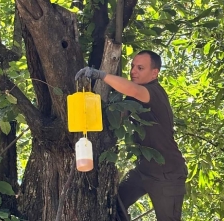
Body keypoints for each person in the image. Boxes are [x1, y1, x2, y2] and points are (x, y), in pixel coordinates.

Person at [75, 50, 187, 221]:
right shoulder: (133, 98)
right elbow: (117, 120)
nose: (133, 71)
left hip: (168, 173)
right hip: (143, 170)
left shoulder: (152, 92)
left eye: (140, 68)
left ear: (154, 73)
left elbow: (133, 90)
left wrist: (100, 74)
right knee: (115, 205)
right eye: (133, 66)